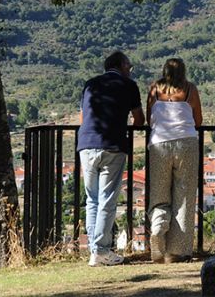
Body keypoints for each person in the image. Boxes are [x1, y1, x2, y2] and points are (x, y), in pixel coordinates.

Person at [77, 51, 144, 266]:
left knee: (91, 199)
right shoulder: (128, 85)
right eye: (129, 66)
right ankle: (101, 251)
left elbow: (83, 116)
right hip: (112, 145)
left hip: (86, 145)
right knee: (107, 199)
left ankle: (94, 251)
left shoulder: (90, 84)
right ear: (122, 65)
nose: (130, 70)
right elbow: (139, 119)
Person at [146, 57, 203, 263]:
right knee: (184, 196)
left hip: (159, 144)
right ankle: (177, 252)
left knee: (159, 192)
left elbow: (148, 118)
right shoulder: (190, 90)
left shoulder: (154, 89)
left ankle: (158, 229)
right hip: (186, 143)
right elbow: (198, 120)